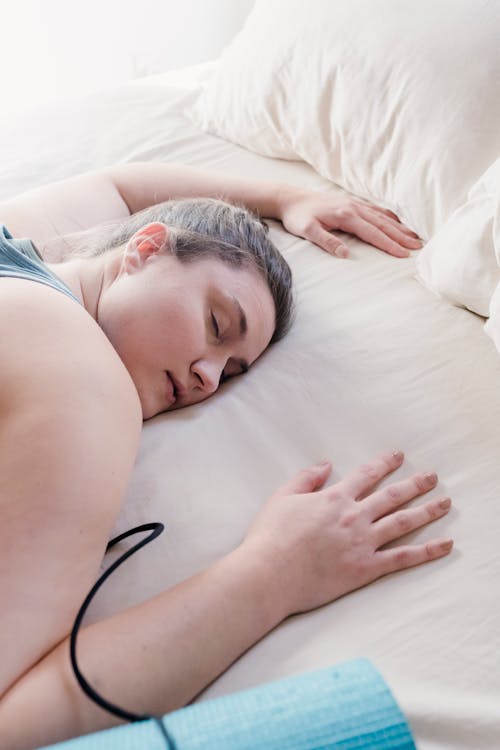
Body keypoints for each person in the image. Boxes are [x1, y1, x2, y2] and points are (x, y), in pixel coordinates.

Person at [0, 162, 452, 749]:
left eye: (232, 371)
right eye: (217, 324)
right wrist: (275, 573)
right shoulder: (83, 384)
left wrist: (285, 196)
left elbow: (118, 187)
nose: (208, 378)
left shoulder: (20, 245)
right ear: (146, 245)